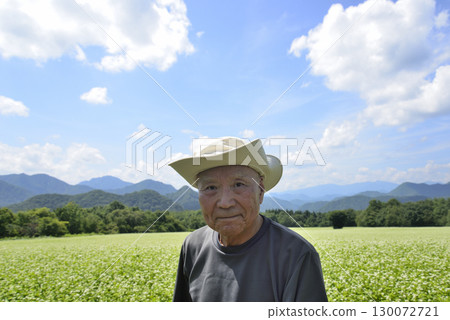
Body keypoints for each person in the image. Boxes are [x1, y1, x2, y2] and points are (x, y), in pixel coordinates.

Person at [169, 137, 327, 302]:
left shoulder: (296, 255)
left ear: (260, 191)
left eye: (238, 184)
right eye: (211, 188)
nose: (225, 203)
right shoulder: (193, 246)